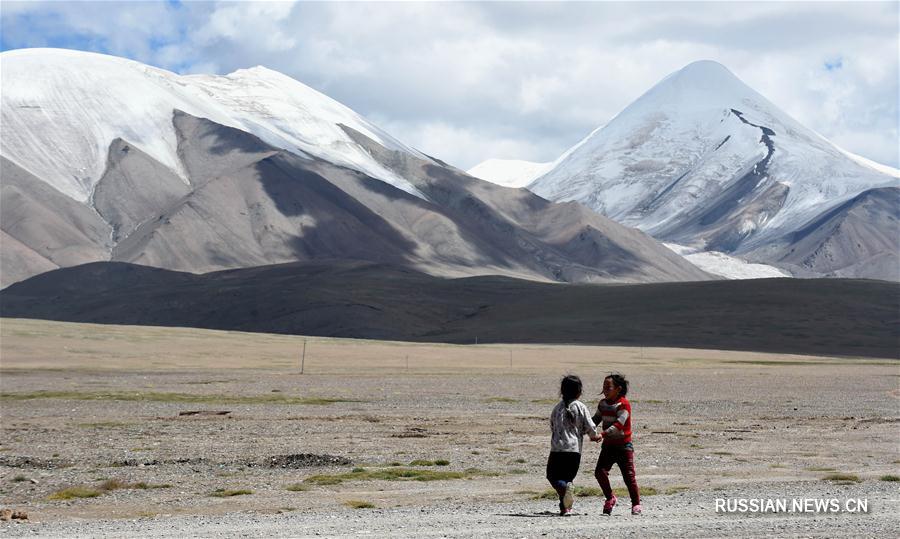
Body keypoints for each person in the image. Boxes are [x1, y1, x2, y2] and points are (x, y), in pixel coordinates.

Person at [547, 374, 602, 516]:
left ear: (562, 391)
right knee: (567, 480)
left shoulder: (557, 408)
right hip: (574, 451)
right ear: (579, 392)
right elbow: (589, 425)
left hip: (557, 450)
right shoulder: (580, 407)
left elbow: (552, 426)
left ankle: (565, 501)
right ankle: (566, 508)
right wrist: (594, 436)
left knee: (553, 477)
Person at [593, 373, 641, 515]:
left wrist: (601, 434)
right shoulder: (602, 404)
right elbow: (595, 419)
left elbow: (619, 425)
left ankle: (636, 504)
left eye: (609, 387)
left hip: (623, 447)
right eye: (604, 387)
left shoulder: (623, 404)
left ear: (618, 389)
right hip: (608, 446)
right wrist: (584, 428)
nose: (605, 390)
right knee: (599, 473)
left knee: (629, 476)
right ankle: (610, 497)